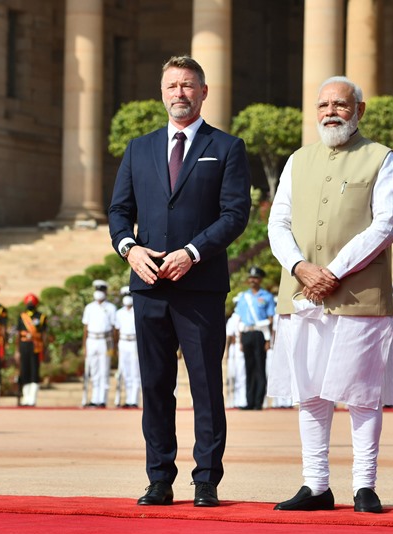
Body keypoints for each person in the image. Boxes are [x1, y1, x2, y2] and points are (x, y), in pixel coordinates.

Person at [267, 75, 393, 513]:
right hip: (302, 292)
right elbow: (278, 223)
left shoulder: (380, 158)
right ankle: (315, 484)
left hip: (358, 291)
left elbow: (384, 225)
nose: (330, 112)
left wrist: (334, 271)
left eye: (340, 104)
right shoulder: (297, 160)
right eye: (323, 105)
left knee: (361, 393)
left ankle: (364, 484)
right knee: (311, 392)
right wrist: (301, 268)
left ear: (359, 110)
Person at [108, 55, 251, 507]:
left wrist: (192, 253)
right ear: (162, 92)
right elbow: (118, 212)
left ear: (204, 92)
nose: (179, 94)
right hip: (149, 286)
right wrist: (128, 250)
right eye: (172, 86)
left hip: (200, 285)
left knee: (207, 384)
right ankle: (159, 477)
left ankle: (206, 479)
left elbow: (235, 214)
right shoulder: (139, 148)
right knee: (154, 384)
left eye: (188, 86)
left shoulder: (227, 148)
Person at [233, 266, 276, 410]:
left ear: (260, 279)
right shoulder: (243, 297)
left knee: (259, 367)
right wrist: (239, 339)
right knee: (248, 367)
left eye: (256, 278)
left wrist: (269, 340)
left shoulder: (267, 296)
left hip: (260, 334)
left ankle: (258, 402)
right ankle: (249, 401)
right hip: (246, 333)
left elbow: (270, 319)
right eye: (251, 278)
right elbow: (239, 319)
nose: (253, 280)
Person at [81, 279, 116, 408]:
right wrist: (84, 346)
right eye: (97, 290)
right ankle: (94, 398)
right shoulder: (89, 307)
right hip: (92, 340)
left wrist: (114, 346)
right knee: (93, 370)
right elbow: (85, 328)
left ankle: (102, 399)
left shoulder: (111, 308)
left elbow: (113, 328)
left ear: (105, 292)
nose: (99, 293)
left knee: (104, 370)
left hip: (105, 341)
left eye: (101, 290)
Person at [16, 293, 47, 407]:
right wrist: (17, 350)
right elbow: (18, 335)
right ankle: (25, 397)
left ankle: (32, 398)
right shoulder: (22, 316)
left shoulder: (41, 317)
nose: (30, 304)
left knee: (34, 371)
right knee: (24, 371)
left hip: (36, 347)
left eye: (32, 302)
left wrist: (44, 348)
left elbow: (44, 334)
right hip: (24, 346)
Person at [115, 286, 141, 408]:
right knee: (125, 372)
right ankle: (128, 398)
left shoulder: (137, 310)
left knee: (135, 371)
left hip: (134, 341)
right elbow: (116, 330)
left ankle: (134, 400)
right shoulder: (119, 313)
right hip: (123, 342)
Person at [224, 295, 248, 409]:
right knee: (231, 376)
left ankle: (242, 400)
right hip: (234, 348)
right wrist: (227, 352)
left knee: (242, 375)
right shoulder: (233, 318)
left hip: (242, 347)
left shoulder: (245, 316)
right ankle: (231, 400)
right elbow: (229, 336)